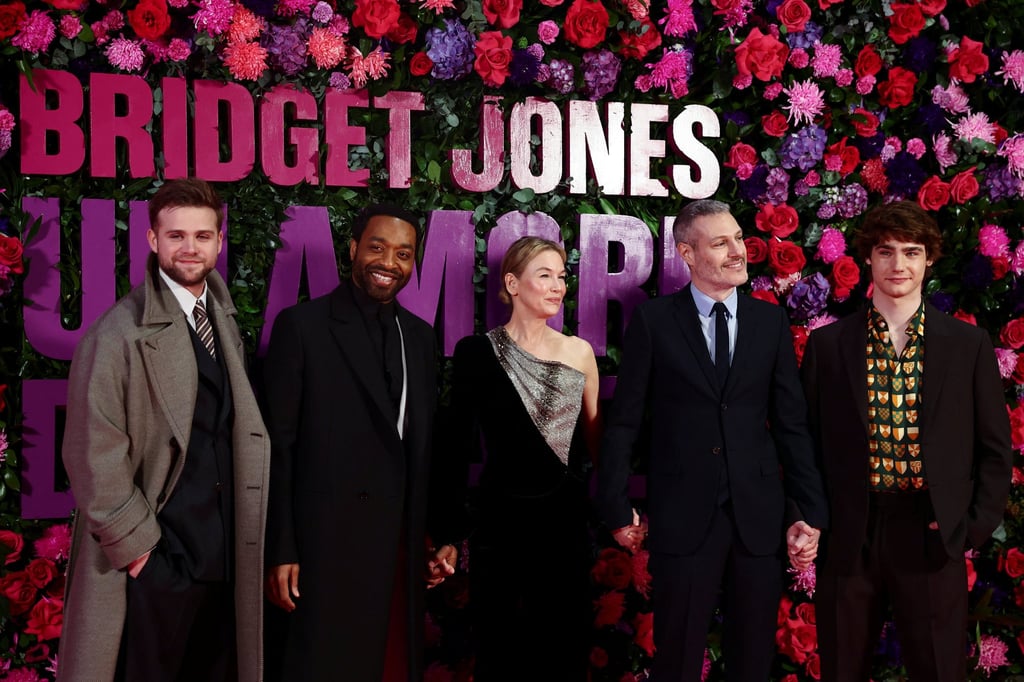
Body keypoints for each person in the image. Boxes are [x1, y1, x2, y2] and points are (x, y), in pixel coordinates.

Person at [595, 198, 829, 681]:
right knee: (676, 659)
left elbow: (791, 424)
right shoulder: (655, 322)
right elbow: (625, 422)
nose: (737, 251)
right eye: (720, 243)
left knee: (752, 661)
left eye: (739, 238)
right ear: (687, 253)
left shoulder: (770, 324)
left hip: (758, 518)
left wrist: (808, 510)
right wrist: (615, 506)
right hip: (683, 516)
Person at [58, 178, 271, 682]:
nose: (190, 248)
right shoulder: (115, 335)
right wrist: (142, 558)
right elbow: (93, 456)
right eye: (176, 236)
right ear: (153, 241)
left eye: (202, 236)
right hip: (159, 562)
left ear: (220, 240)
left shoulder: (223, 321)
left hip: (223, 561)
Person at [800, 200, 1013, 681]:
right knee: (842, 670)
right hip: (851, 531)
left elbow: (996, 449)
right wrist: (811, 516)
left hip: (931, 531)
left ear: (929, 259)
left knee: (938, 670)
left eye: (911, 252)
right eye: (886, 251)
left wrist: (970, 528)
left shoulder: (967, 346)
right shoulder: (828, 347)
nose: (899, 264)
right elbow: (805, 446)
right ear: (868, 259)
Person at [261, 203, 456, 682]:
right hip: (324, 547)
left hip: (397, 550)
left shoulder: (420, 337)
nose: (389, 262)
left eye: (404, 254)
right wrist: (281, 548)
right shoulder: (301, 327)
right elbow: (277, 447)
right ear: (352, 249)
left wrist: (435, 537)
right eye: (377, 247)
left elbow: (423, 448)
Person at [443, 236, 600, 681]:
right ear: (512, 283)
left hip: (564, 524)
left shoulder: (579, 352)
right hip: (500, 525)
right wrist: (449, 531)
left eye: (562, 276)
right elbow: (456, 447)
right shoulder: (477, 353)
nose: (557, 286)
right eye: (544, 275)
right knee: (499, 649)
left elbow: (597, 447)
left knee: (564, 649)